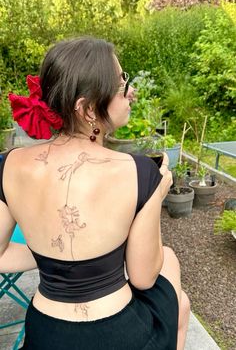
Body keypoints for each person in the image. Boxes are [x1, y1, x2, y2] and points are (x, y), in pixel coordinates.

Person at [0, 37, 190, 350]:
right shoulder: (139, 172)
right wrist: (158, 191)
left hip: (46, 334)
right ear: (88, 108)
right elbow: (143, 277)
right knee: (169, 264)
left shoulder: (9, 165)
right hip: (118, 334)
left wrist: (58, 260)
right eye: (121, 83)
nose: (131, 92)